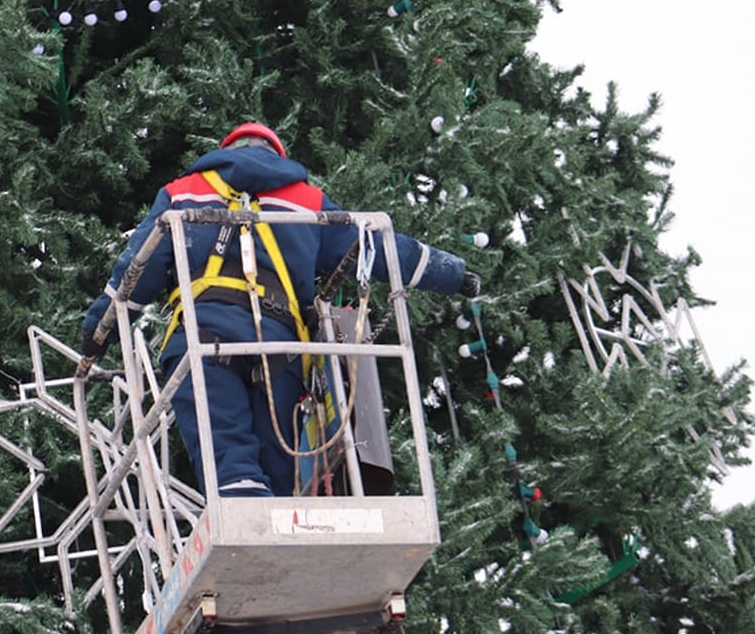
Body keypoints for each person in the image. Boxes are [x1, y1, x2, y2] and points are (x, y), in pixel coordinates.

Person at [81, 123, 480, 498]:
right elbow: (378, 247)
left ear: (225, 153)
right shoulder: (307, 200)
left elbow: (135, 274)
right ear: (278, 156)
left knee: (229, 464)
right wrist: (454, 274)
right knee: (280, 475)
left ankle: (240, 503)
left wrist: (95, 339)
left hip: (202, 341)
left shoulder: (184, 191)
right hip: (281, 351)